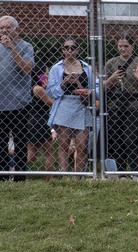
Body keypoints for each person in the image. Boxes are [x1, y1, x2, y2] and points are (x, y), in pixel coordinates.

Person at [103, 32, 138, 174]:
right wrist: (112, 79)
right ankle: (121, 171)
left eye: (126, 46)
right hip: (116, 106)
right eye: (120, 46)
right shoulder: (111, 63)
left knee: (131, 138)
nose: (123, 49)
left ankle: (135, 170)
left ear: (132, 46)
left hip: (134, 105)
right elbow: (103, 86)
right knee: (117, 138)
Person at [47, 38, 93, 173]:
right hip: (64, 105)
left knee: (82, 145)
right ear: (62, 50)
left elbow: (93, 88)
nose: (69, 50)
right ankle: (65, 175)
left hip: (81, 106)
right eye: (66, 48)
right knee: (63, 144)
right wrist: (64, 82)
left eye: (73, 48)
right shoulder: (56, 68)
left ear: (78, 50)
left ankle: (78, 176)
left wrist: (84, 89)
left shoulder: (87, 68)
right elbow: (50, 91)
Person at [0, 15, 35, 178]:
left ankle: (20, 178)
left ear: (16, 29)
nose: (4, 30)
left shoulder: (26, 46)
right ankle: (2, 176)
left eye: (8, 27)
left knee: (20, 142)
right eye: (1, 28)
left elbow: (27, 68)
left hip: (20, 103)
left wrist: (11, 48)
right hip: (1, 103)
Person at [26, 65, 54, 170]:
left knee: (32, 154)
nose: (47, 75)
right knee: (48, 151)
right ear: (40, 75)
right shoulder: (38, 89)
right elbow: (50, 102)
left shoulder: (36, 87)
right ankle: (49, 178)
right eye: (46, 73)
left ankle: (13, 170)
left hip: (36, 119)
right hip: (39, 119)